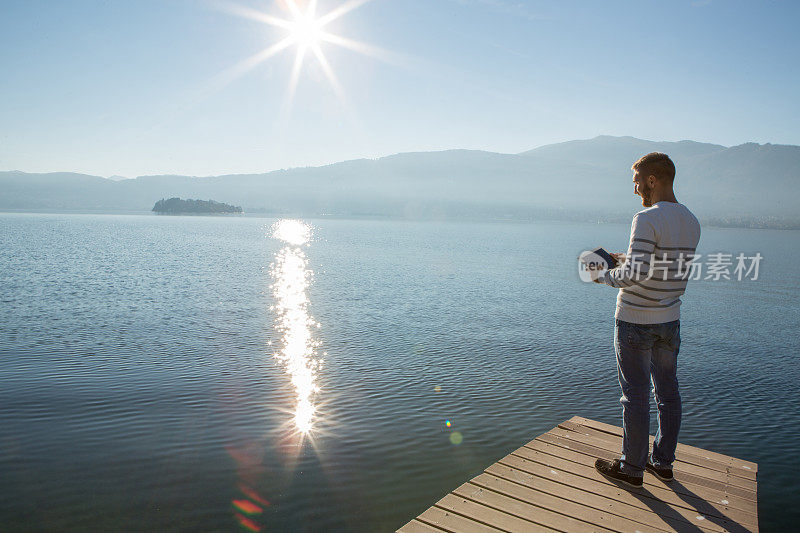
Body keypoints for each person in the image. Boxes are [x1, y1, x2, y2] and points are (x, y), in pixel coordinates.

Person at [592, 152, 701, 488]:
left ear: (652, 180)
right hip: (670, 320)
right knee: (668, 393)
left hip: (636, 321)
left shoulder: (646, 218)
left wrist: (602, 274)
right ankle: (662, 462)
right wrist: (623, 259)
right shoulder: (691, 220)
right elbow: (664, 265)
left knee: (635, 396)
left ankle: (632, 468)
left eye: (637, 181)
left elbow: (633, 276)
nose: (636, 189)